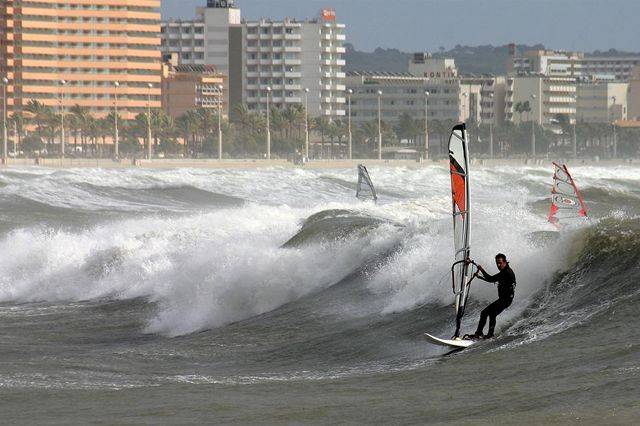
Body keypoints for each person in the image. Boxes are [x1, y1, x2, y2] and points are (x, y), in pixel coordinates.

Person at [470, 253, 516, 339]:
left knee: (485, 313)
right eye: (497, 263)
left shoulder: (506, 272)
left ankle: (481, 333)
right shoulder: (504, 271)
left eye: (500, 263)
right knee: (491, 314)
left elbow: (491, 279)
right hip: (504, 299)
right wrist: (480, 277)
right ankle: (487, 334)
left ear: (505, 262)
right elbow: (492, 280)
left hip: (505, 300)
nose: (498, 265)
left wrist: (481, 270)